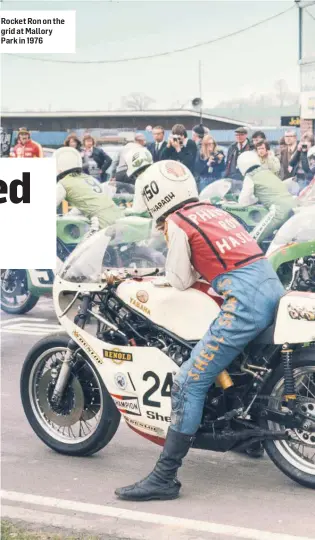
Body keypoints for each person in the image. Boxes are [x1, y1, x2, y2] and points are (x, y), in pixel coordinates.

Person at [115, 158, 284, 502]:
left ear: (154, 197)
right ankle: (249, 440)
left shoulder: (178, 221)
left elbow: (179, 279)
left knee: (188, 382)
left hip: (245, 301)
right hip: (269, 286)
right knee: (240, 368)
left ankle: (165, 476)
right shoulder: (211, 209)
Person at [55, 147, 123, 228]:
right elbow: (85, 204)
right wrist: (68, 216)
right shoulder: (87, 178)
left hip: (101, 221)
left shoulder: (63, 183)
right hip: (119, 216)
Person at [238, 152, 296, 242]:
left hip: (279, 210)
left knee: (253, 239)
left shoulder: (250, 176)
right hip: (293, 205)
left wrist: (255, 199)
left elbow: (243, 201)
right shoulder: (268, 172)